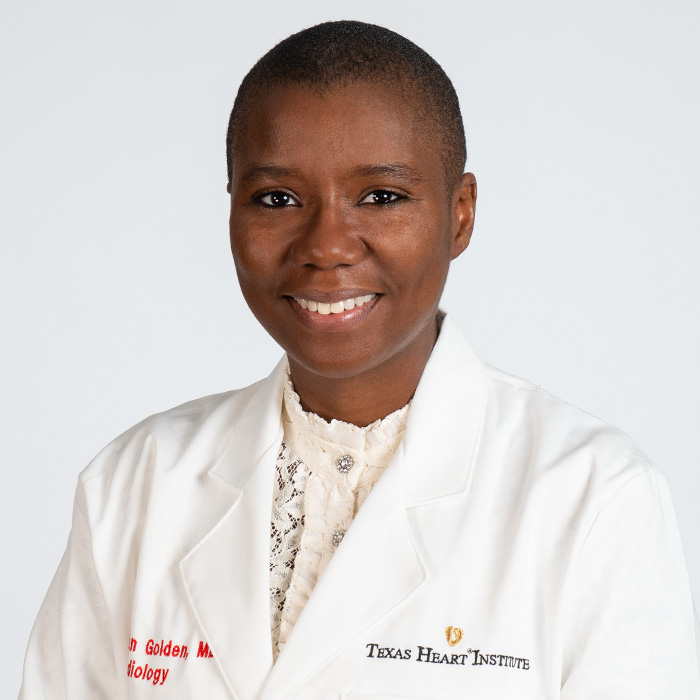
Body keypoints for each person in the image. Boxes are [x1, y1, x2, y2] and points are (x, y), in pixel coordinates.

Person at [19, 20, 700, 700]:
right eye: (277, 199)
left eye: (381, 197)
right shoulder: (135, 486)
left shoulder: (594, 499)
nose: (327, 246)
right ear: (231, 211)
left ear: (460, 215)